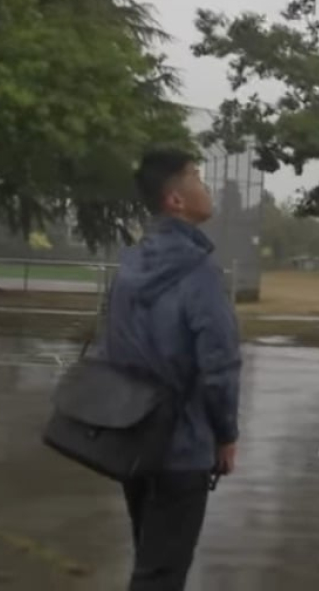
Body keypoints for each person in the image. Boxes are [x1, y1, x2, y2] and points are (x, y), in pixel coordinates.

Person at [102, 147, 242, 591]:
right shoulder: (199, 271)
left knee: (150, 561)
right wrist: (226, 434)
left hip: (132, 438)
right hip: (182, 447)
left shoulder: (129, 264)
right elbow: (219, 364)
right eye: (197, 176)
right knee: (162, 575)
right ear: (175, 199)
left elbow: (114, 347)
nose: (206, 185)